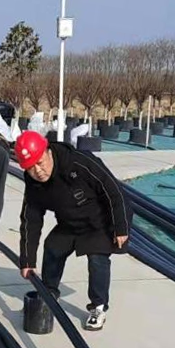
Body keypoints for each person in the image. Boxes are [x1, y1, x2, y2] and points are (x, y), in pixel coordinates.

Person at [15, 130, 132, 330]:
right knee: (53, 248)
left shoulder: (79, 162)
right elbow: (30, 219)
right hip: (68, 223)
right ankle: (49, 294)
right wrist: (27, 260)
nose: (38, 171)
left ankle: (98, 307)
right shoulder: (33, 182)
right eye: (30, 167)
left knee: (97, 258)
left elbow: (114, 191)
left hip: (98, 222)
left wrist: (121, 226)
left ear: (48, 152)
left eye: (40, 163)